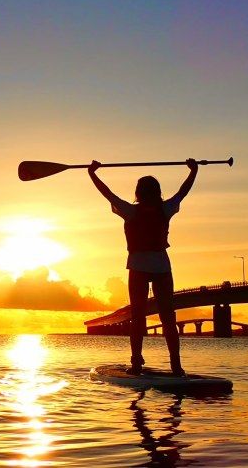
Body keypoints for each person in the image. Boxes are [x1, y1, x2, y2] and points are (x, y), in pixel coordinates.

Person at [88, 159, 198, 376]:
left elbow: (107, 194)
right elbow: (183, 191)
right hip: (161, 266)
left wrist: (92, 174)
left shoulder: (131, 211)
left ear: (138, 193)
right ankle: (176, 366)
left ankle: (137, 364)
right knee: (168, 317)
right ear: (157, 192)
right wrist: (193, 171)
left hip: (139, 267)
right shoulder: (164, 208)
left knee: (138, 317)